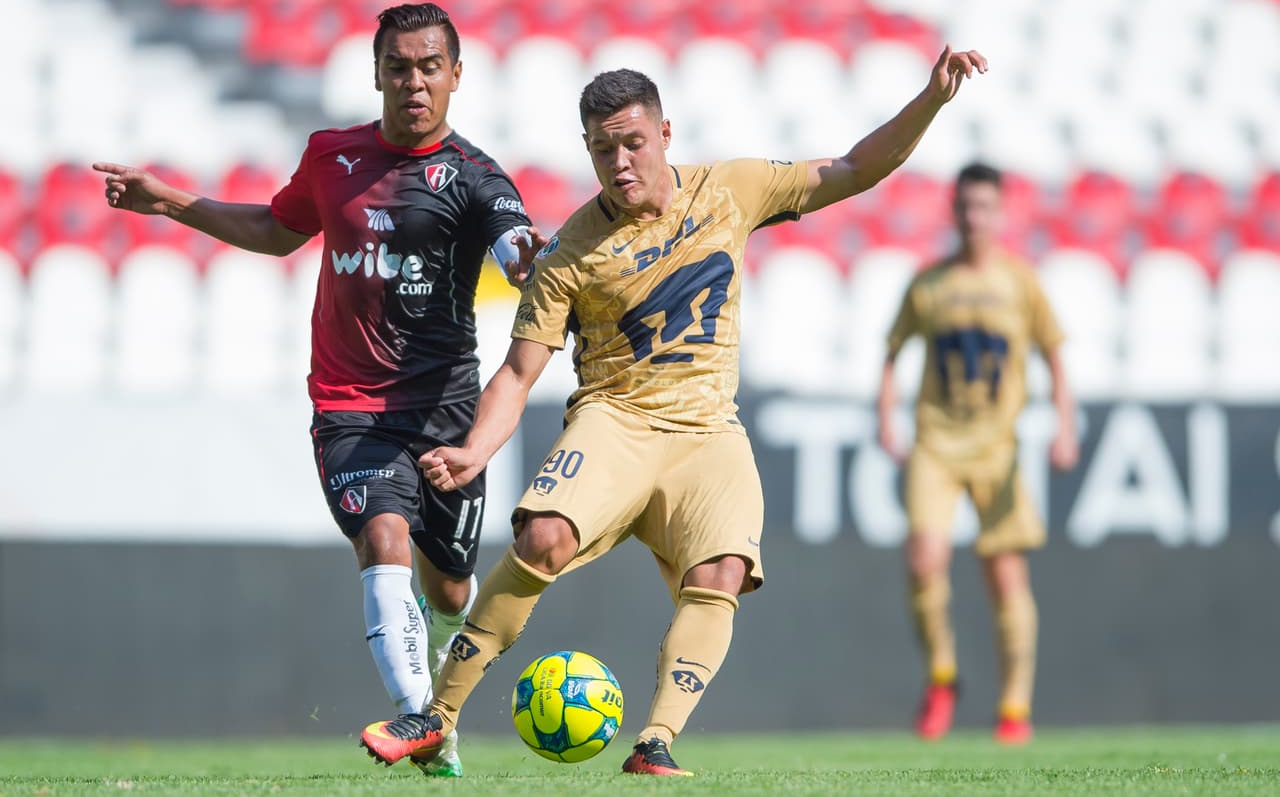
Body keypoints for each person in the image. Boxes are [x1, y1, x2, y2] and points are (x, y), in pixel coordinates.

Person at [357, 46, 987, 776]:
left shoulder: (732, 190)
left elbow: (851, 169)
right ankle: (434, 718)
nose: (619, 162)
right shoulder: (568, 255)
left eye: (631, 142)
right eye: (602, 149)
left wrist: (931, 101)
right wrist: (474, 451)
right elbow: (519, 371)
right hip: (615, 420)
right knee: (544, 538)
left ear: (664, 133)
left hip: (708, 430)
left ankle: (655, 741)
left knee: (721, 570)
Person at [93, 3, 544, 778]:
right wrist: (166, 199)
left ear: (456, 76)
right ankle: (424, 719)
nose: (413, 81)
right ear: (375, 73)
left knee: (450, 587)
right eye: (398, 67)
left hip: (447, 415)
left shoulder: (474, 176)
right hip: (351, 406)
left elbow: (514, 239)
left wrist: (524, 254)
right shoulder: (331, 156)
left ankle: (435, 669)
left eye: (429, 67)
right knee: (383, 538)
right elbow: (276, 229)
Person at [876, 161, 1079, 745]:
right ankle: (943, 677)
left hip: (998, 447)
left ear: (1000, 212)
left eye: (984, 207)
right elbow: (892, 352)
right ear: (954, 210)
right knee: (923, 561)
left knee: (1005, 576)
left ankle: (1015, 709)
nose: (974, 218)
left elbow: (1054, 354)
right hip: (937, 442)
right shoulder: (929, 283)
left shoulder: (1020, 281)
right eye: (965, 207)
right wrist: (886, 418)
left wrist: (1065, 428)